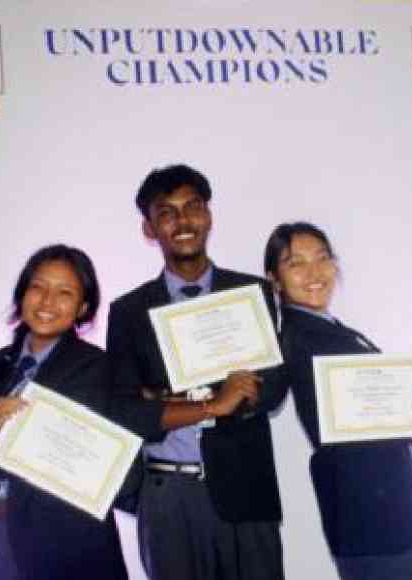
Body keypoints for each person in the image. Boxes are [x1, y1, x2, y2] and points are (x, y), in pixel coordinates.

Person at [107, 164, 286, 580]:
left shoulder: (251, 292)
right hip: (169, 499)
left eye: (193, 207)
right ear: (150, 229)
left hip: (247, 489)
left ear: (209, 216)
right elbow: (127, 410)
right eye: (167, 212)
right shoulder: (128, 312)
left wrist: (166, 398)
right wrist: (213, 403)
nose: (183, 220)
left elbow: (274, 384)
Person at [264, 222, 412, 580]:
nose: (314, 273)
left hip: (385, 507)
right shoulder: (300, 336)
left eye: (322, 259)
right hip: (372, 512)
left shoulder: (331, 330)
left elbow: (387, 393)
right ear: (274, 279)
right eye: (296, 263)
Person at [0, 244, 128, 580]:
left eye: (64, 292)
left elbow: (91, 465)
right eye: (38, 287)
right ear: (22, 294)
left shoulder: (99, 368)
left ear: (83, 307)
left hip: (71, 545)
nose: (47, 301)